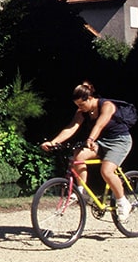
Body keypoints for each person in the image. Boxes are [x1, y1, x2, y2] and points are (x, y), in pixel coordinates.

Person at [40, 81, 133, 222]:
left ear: (90, 99)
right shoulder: (82, 111)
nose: (80, 108)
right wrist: (54, 142)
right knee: (78, 156)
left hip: (119, 141)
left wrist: (90, 139)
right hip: (101, 142)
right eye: (77, 105)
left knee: (106, 171)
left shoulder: (107, 106)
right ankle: (81, 192)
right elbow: (71, 127)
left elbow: (99, 125)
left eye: (81, 105)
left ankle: (123, 202)